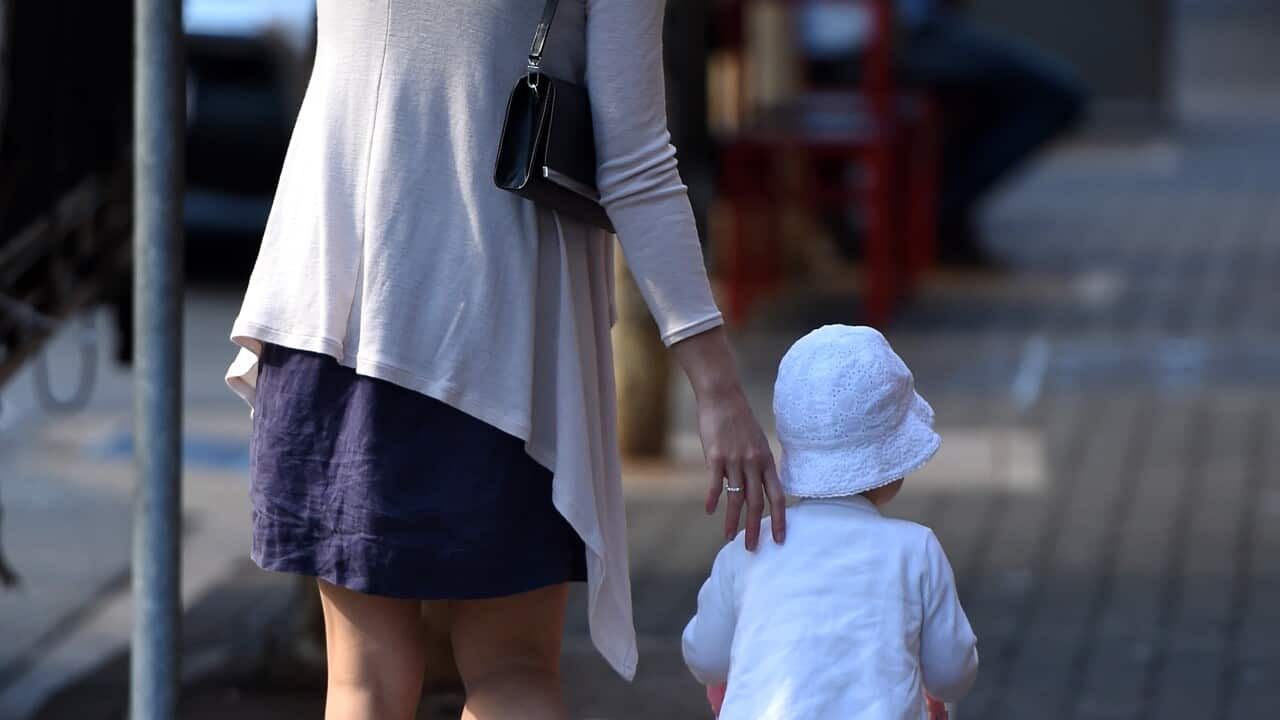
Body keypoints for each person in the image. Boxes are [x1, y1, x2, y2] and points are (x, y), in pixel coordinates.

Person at [223, 1, 786, 718]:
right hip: (501, 337)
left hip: (331, 302)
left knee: (362, 681)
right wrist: (717, 388)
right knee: (512, 671)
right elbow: (635, 160)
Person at [681, 325, 979, 719]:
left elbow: (705, 657)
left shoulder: (749, 548)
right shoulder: (916, 549)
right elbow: (950, 675)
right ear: (892, 466)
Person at [803, 0, 1088, 266]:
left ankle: (927, 215)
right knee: (1048, 96)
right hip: (864, 44)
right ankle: (926, 218)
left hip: (911, 31)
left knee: (1025, 95)